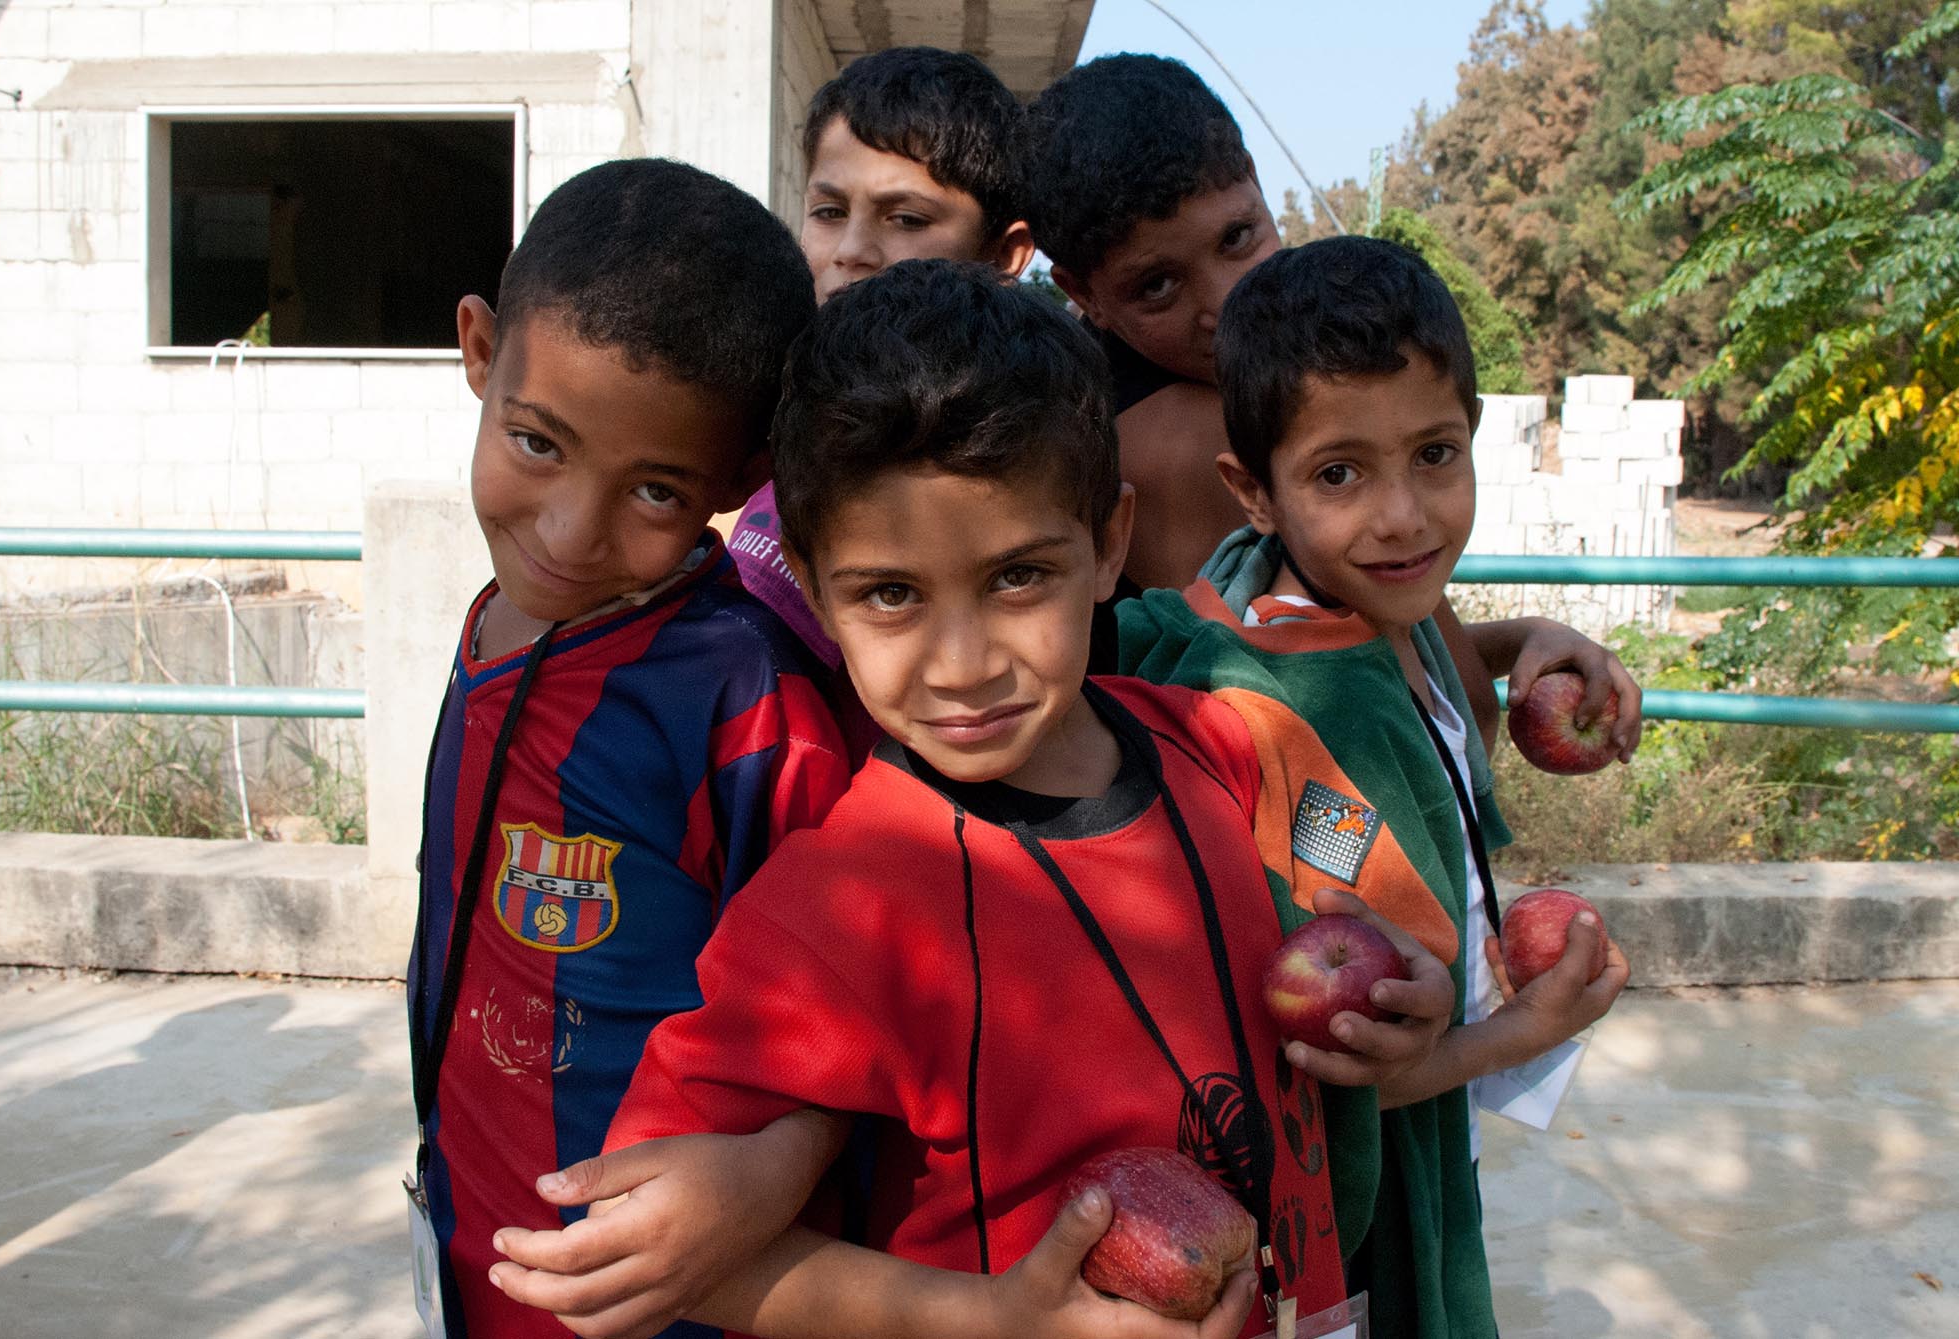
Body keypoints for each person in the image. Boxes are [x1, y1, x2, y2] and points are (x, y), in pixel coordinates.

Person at [491, 260, 1459, 1339]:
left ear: (1107, 545)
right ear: (812, 589)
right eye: (891, 594)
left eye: (1016, 578)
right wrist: (989, 1317)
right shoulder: (828, 911)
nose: (961, 666)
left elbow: (1360, 883)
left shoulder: (1232, 743)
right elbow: (680, 1258)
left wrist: (1406, 982)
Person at [1119, 236, 1634, 1337]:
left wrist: (1521, 637)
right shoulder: (1313, 746)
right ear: (1249, 490)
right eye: (1339, 473)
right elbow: (1331, 1068)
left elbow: (1388, 653)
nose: (1402, 515)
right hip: (1371, 1207)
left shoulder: (1297, 595)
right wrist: (1528, 1026)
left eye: (1434, 455)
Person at [407, 157, 852, 1339]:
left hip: (673, 1303)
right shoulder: (491, 622)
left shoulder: (743, 700)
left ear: (741, 478)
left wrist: (777, 1174)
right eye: (538, 442)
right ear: (476, 349)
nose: (565, 531)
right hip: (477, 1256)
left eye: (656, 491)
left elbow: (869, 997)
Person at [1023, 53, 1642, 753]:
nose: (1224, 302)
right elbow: (1453, 706)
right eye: (1159, 286)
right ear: (1082, 294)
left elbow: (1366, 634)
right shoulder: (1184, 443)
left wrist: (1530, 637)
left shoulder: (1099, 395)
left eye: (1238, 238)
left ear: (1258, 184)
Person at [728, 45, 1035, 678]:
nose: (852, 251)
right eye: (829, 212)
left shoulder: (1029, 454)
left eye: (905, 218)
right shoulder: (758, 409)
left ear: (1005, 256)